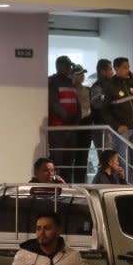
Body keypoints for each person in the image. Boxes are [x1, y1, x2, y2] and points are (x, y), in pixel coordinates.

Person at [100, 57, 133, 185]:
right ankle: (123, 185)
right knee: (121, 161)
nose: (128, 70)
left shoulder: (131, 83)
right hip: (122, 129)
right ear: (116, 69)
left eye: (128, 67)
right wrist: (117, 126)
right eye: (125, 67)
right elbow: (104, 111)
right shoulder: (110, 86)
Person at [48, 55, 81, 183]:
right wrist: (68, 118)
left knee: (69, 162)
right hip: (58, 128)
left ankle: (67, 188)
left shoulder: (69, 82)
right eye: (67, 65)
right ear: (60, 66)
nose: (69, 68)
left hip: (70, 128)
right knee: (58, 161)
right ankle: (57, 188)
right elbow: (54, 103)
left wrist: (76, 119)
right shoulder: (53, 82)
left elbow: (76, 103)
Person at [71, 64, 93, 184]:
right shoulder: (69, 89)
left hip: (85, 124)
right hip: (72, 125)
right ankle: (70, 182)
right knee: (71, 156)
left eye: (83, 74)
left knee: (83, 156)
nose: (82, 76)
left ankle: (80, 183)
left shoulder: (87, 90)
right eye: (79, 74)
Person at [89, 59, 114, 156]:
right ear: (103, 71)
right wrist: (105, 97)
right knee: (107, 157)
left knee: (110, 157)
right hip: (102, 127)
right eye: (110, 69)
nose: (112, 72)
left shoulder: (110, 85)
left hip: (109, 126)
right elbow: (96, 104)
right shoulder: (98, 87)